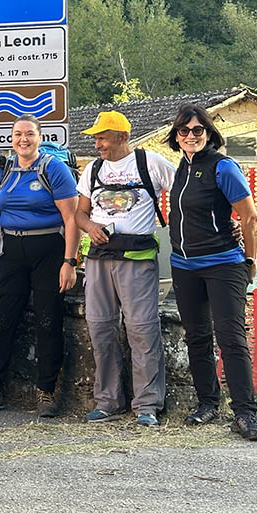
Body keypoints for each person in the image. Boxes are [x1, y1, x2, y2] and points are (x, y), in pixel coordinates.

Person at [0, 115, 79, 417]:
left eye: (29, 134)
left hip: (49, 250)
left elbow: (71, 219)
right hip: (12, 250)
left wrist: (70, 262)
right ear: (11, 138)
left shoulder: (53, 169)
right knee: (2, 318)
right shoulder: (3, 170)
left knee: (48, 320)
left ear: (40, 137)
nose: (23, 139)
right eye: (17, 134)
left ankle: (46, 392)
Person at [165, 105, 257, 441]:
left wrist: (251, 261)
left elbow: (249, 218)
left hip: (223, 264)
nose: (191, 136)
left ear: (209, 133)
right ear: (176, 136)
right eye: (184, 130)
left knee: (231, 338)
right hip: (184, 266)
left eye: (197, 130)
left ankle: (246, 413)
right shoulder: (181, 166)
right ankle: (208, 403)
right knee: (197, 337)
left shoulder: (222, 167)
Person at [75, 112, 175, 427]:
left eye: (102, 137)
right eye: (96, 138)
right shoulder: (92, 169)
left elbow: (184, 192)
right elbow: (80, 213)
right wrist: (90, 226)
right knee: (100, 327)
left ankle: (146, 405)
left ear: (121, 136)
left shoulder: (151, 163)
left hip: (138, 257)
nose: (97, 143)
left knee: (142, 329)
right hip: (98, 259)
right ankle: (108, 401)